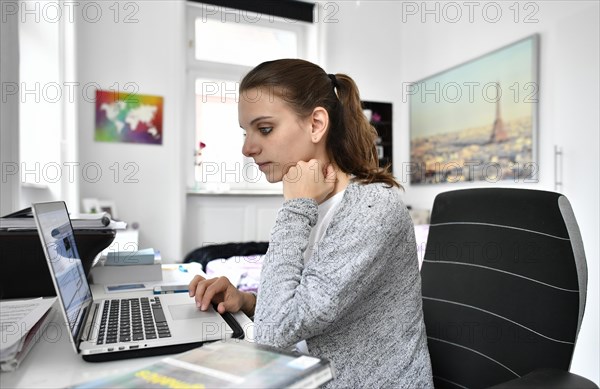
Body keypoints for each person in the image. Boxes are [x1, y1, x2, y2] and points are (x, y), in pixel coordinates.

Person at [188, 59, 433, 388]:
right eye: (246, 133)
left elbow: (273, 336)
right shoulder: (312, 200)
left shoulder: (372, 207)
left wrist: (294, 208)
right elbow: (308, 305)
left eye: (264, 129)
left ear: (317, 124)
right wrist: (246, 301)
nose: (247, 148)